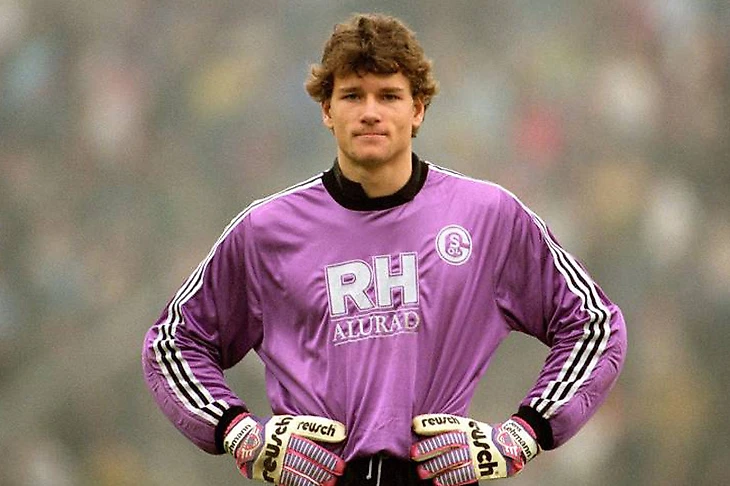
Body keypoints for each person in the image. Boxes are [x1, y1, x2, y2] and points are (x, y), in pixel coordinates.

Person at [142, 12, 627, 486]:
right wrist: (239, 433)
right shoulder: (265, 231)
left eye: (389, 95)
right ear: (327, 110)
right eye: (352, 95)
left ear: (418, 109)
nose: (370, 111)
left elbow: (595, 324)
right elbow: (172, 343)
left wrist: (523, 434)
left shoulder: (487, 216)